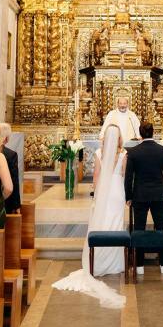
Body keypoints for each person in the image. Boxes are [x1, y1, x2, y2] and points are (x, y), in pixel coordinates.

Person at [52, 124, 126, 308]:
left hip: (104, 191)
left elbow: (97, 176)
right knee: (116, 224)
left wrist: (96, 195)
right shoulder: (124, 155)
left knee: (101, 224)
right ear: (118, 138)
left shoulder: (99, 154)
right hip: (118, 191)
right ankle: (115, 263)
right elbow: (124, 175)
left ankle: (99, 261)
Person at [124, 121, 163, 274]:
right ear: (153, 133)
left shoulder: (133, 152)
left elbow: (128, 177)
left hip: (140, 195)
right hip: (158, 194)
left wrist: (129, 196)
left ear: (140, 134)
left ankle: (139, 266)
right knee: (161, 229)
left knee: (139, 230)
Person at [0, 123, 21, 214]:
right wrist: (17, 205)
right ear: (6, 138)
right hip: (6, 200)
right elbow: (14, 180)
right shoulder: (11, 155)